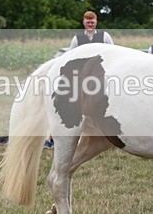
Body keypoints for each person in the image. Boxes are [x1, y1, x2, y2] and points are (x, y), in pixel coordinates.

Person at [45, 11, 113, 149]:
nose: (90, 24)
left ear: (96, 22)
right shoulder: (77, 39)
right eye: (88, 22)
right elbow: (70, 58)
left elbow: (113, 53)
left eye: (92, 21)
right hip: (82, 77)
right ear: (83, 22)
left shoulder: (104, 36)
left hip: (101, 75)